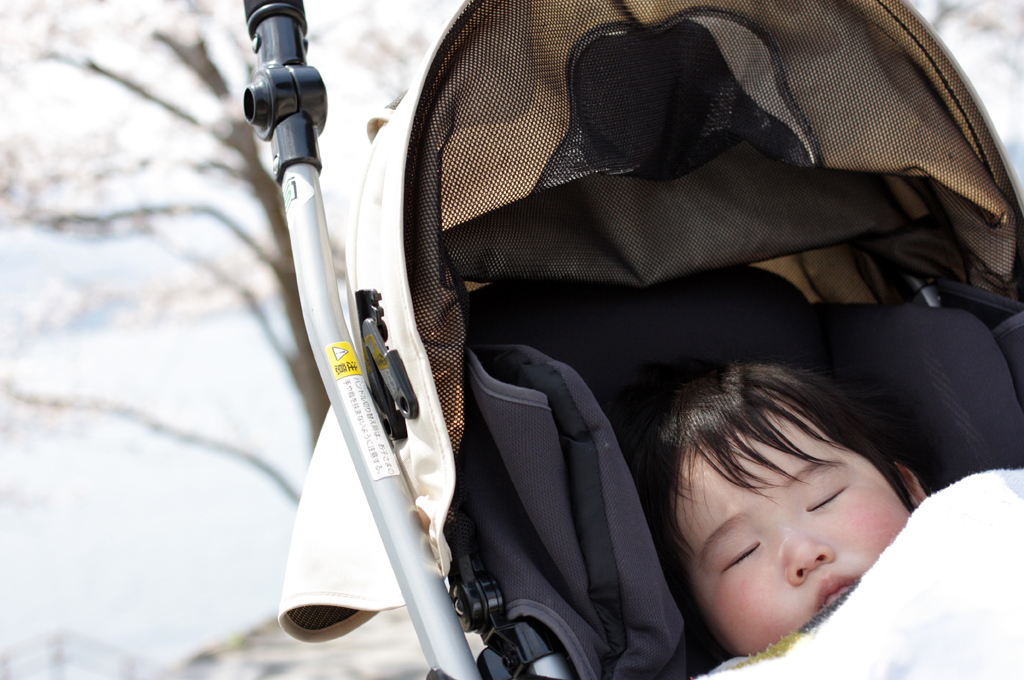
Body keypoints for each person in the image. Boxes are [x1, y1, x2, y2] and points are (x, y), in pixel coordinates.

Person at [608, 361, 931, 662]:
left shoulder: (976, 527)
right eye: (743, 553)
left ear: (909, 487)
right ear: (699, 620)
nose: (804, 554)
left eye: (825, 499)